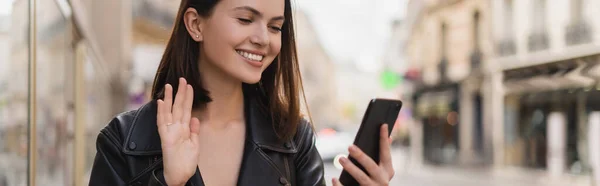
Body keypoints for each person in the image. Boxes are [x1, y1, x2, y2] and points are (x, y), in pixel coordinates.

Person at [88, 0, 395, 185]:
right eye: (246, 19)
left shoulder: (292, 137)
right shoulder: (124, 140)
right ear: (195, 24)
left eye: (276, 27)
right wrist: (169, 183)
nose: (264, 39)